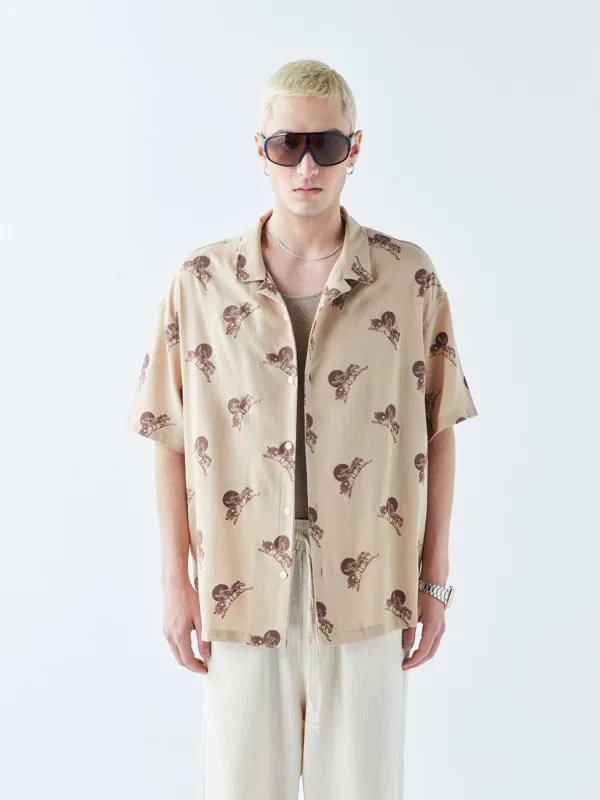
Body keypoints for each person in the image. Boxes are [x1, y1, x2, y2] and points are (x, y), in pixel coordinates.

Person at [126, 59, 479, 799]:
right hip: (239, 584)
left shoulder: (408, 278)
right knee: (240, 787)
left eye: (327, 144)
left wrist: (435, 581)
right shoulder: (200, 282)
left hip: (371, 582)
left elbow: (439, 426)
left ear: (356, 148)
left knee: (363, 788)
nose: (308, 166)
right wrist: (174, 582)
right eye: (288, 144)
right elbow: (168, 434)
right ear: (261, 151)